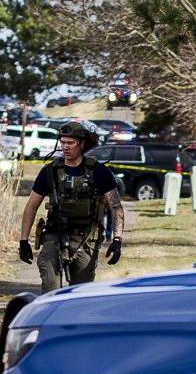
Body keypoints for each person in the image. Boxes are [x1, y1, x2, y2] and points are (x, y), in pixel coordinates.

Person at [17, 119, 123, 291]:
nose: (65, 147)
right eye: (63, 142)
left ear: (81, 144)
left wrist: (117, 240)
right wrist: (23, 241)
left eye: (70, 143)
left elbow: (116, 207)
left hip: (86, 240)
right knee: (51, 290)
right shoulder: (50, 171)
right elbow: (31, 206)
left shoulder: (98, 172)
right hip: (54, 236)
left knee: (80, 294)